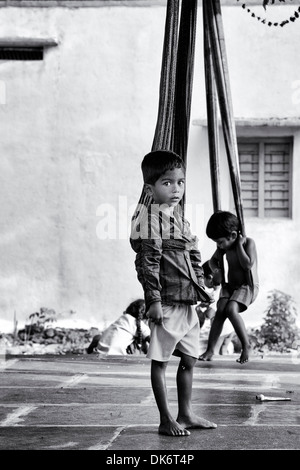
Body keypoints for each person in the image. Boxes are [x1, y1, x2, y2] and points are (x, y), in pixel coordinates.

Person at [130, 149, 217, 437]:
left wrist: (201, 286)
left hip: (187, 302)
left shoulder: (179, 218)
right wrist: (153, 301)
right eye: (167, 183)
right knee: (161, 361)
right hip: (165, 302)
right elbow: (147, 263)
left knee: (189, 360)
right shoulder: (149, 220)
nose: (176, 188)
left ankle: (186, 413)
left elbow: (193, 252)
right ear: (150, 188)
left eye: (180, 182)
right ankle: (166, 419)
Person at [199, 211, 259, 364]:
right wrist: (215, 269)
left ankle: (246, 345)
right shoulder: (223, 248)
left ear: (233, 235)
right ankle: (210, 350)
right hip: (230, 286)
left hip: (247, 286)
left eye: (219, 242)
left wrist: (239, 245)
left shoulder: (247, 243)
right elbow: (212, 261)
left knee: (231, 309)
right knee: (220, 312)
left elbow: (247, 265)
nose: (218, 245)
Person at [86, 299, 150, 356]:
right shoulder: (138, 323)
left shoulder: (121, 319)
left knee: (98, 337)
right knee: (141, 341)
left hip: (98, 354)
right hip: (115, 357)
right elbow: (152, 340)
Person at [196, 261, 234, 355]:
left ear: (209, 278)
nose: (202, 281)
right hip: (230, 329)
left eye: (202, 278)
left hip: (221, 330)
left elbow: (210, 314)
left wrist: (201, 311)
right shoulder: (224, 291)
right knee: (223, 352)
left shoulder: (214, 295)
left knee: (214, 352)